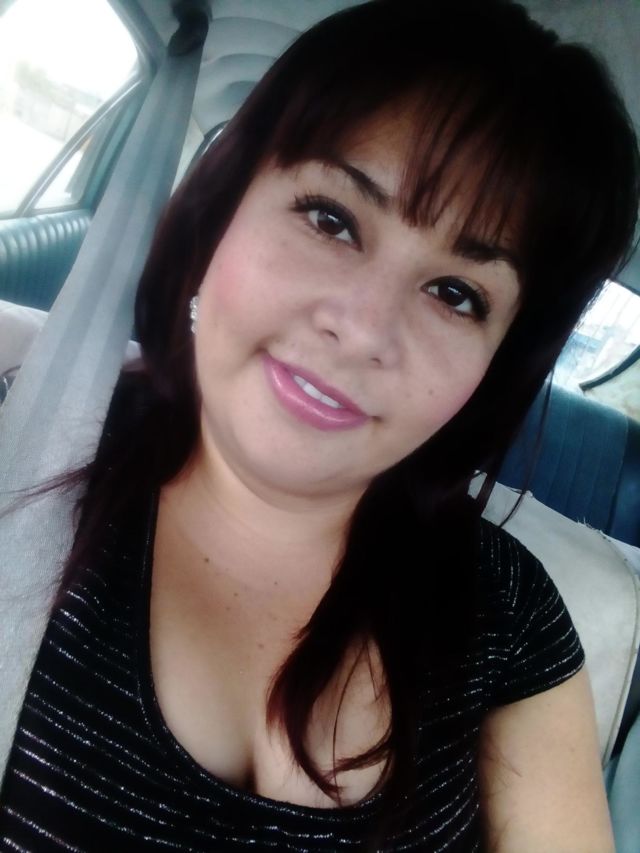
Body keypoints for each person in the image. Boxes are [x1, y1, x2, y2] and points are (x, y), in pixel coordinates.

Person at [0, 0, 638, 849]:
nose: (365, 329)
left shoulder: (512, 616)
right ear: (222, 208)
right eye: (331, 218)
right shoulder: (19, 445)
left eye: (456, 294)